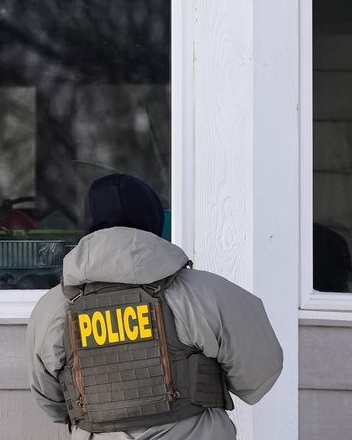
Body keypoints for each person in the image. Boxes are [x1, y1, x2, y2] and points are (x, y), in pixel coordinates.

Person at [25, 174, 283, 440]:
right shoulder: (209, 293)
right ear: (154, 222)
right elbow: (257, 377)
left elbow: (53, 405)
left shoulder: (52, 308)